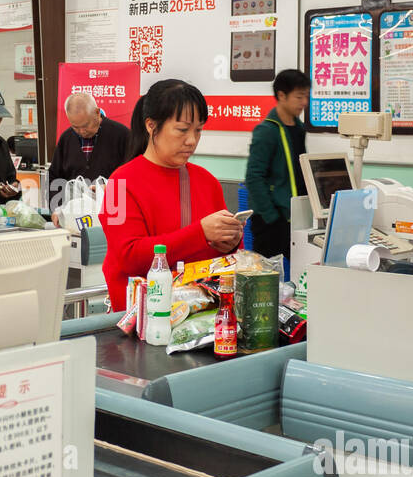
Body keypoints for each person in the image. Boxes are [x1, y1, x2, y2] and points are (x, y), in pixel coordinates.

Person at [101, 79, 244, 311]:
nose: (192, 140)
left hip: (198, 312)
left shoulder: (207, 181)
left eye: (198, 130)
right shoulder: (119, 183)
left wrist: (230, 242)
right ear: (151, 125)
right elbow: (128, 257)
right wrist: (200, 233)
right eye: (182, 130)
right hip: (143, 316)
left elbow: (224, 256)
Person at [244, 69, 308, 262]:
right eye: (299, 97)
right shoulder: (266, 131)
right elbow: (254, 177)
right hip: (271, 219)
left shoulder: (298, 128)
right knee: (267, 276)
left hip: (295, 215)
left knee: (300, 271)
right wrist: (271, 216)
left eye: (306, 96)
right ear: (281, 95)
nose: (304, 102)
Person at [49, 92, 131, 204]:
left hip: (114, 210)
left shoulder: (122, 135)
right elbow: (55, 177)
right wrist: (57, 209)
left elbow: (135, 176)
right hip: (76, 213)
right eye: (76, 127)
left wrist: (110, 188)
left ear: (97, 113)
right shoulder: (66, 138)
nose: (82, 132)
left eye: (86, 125)